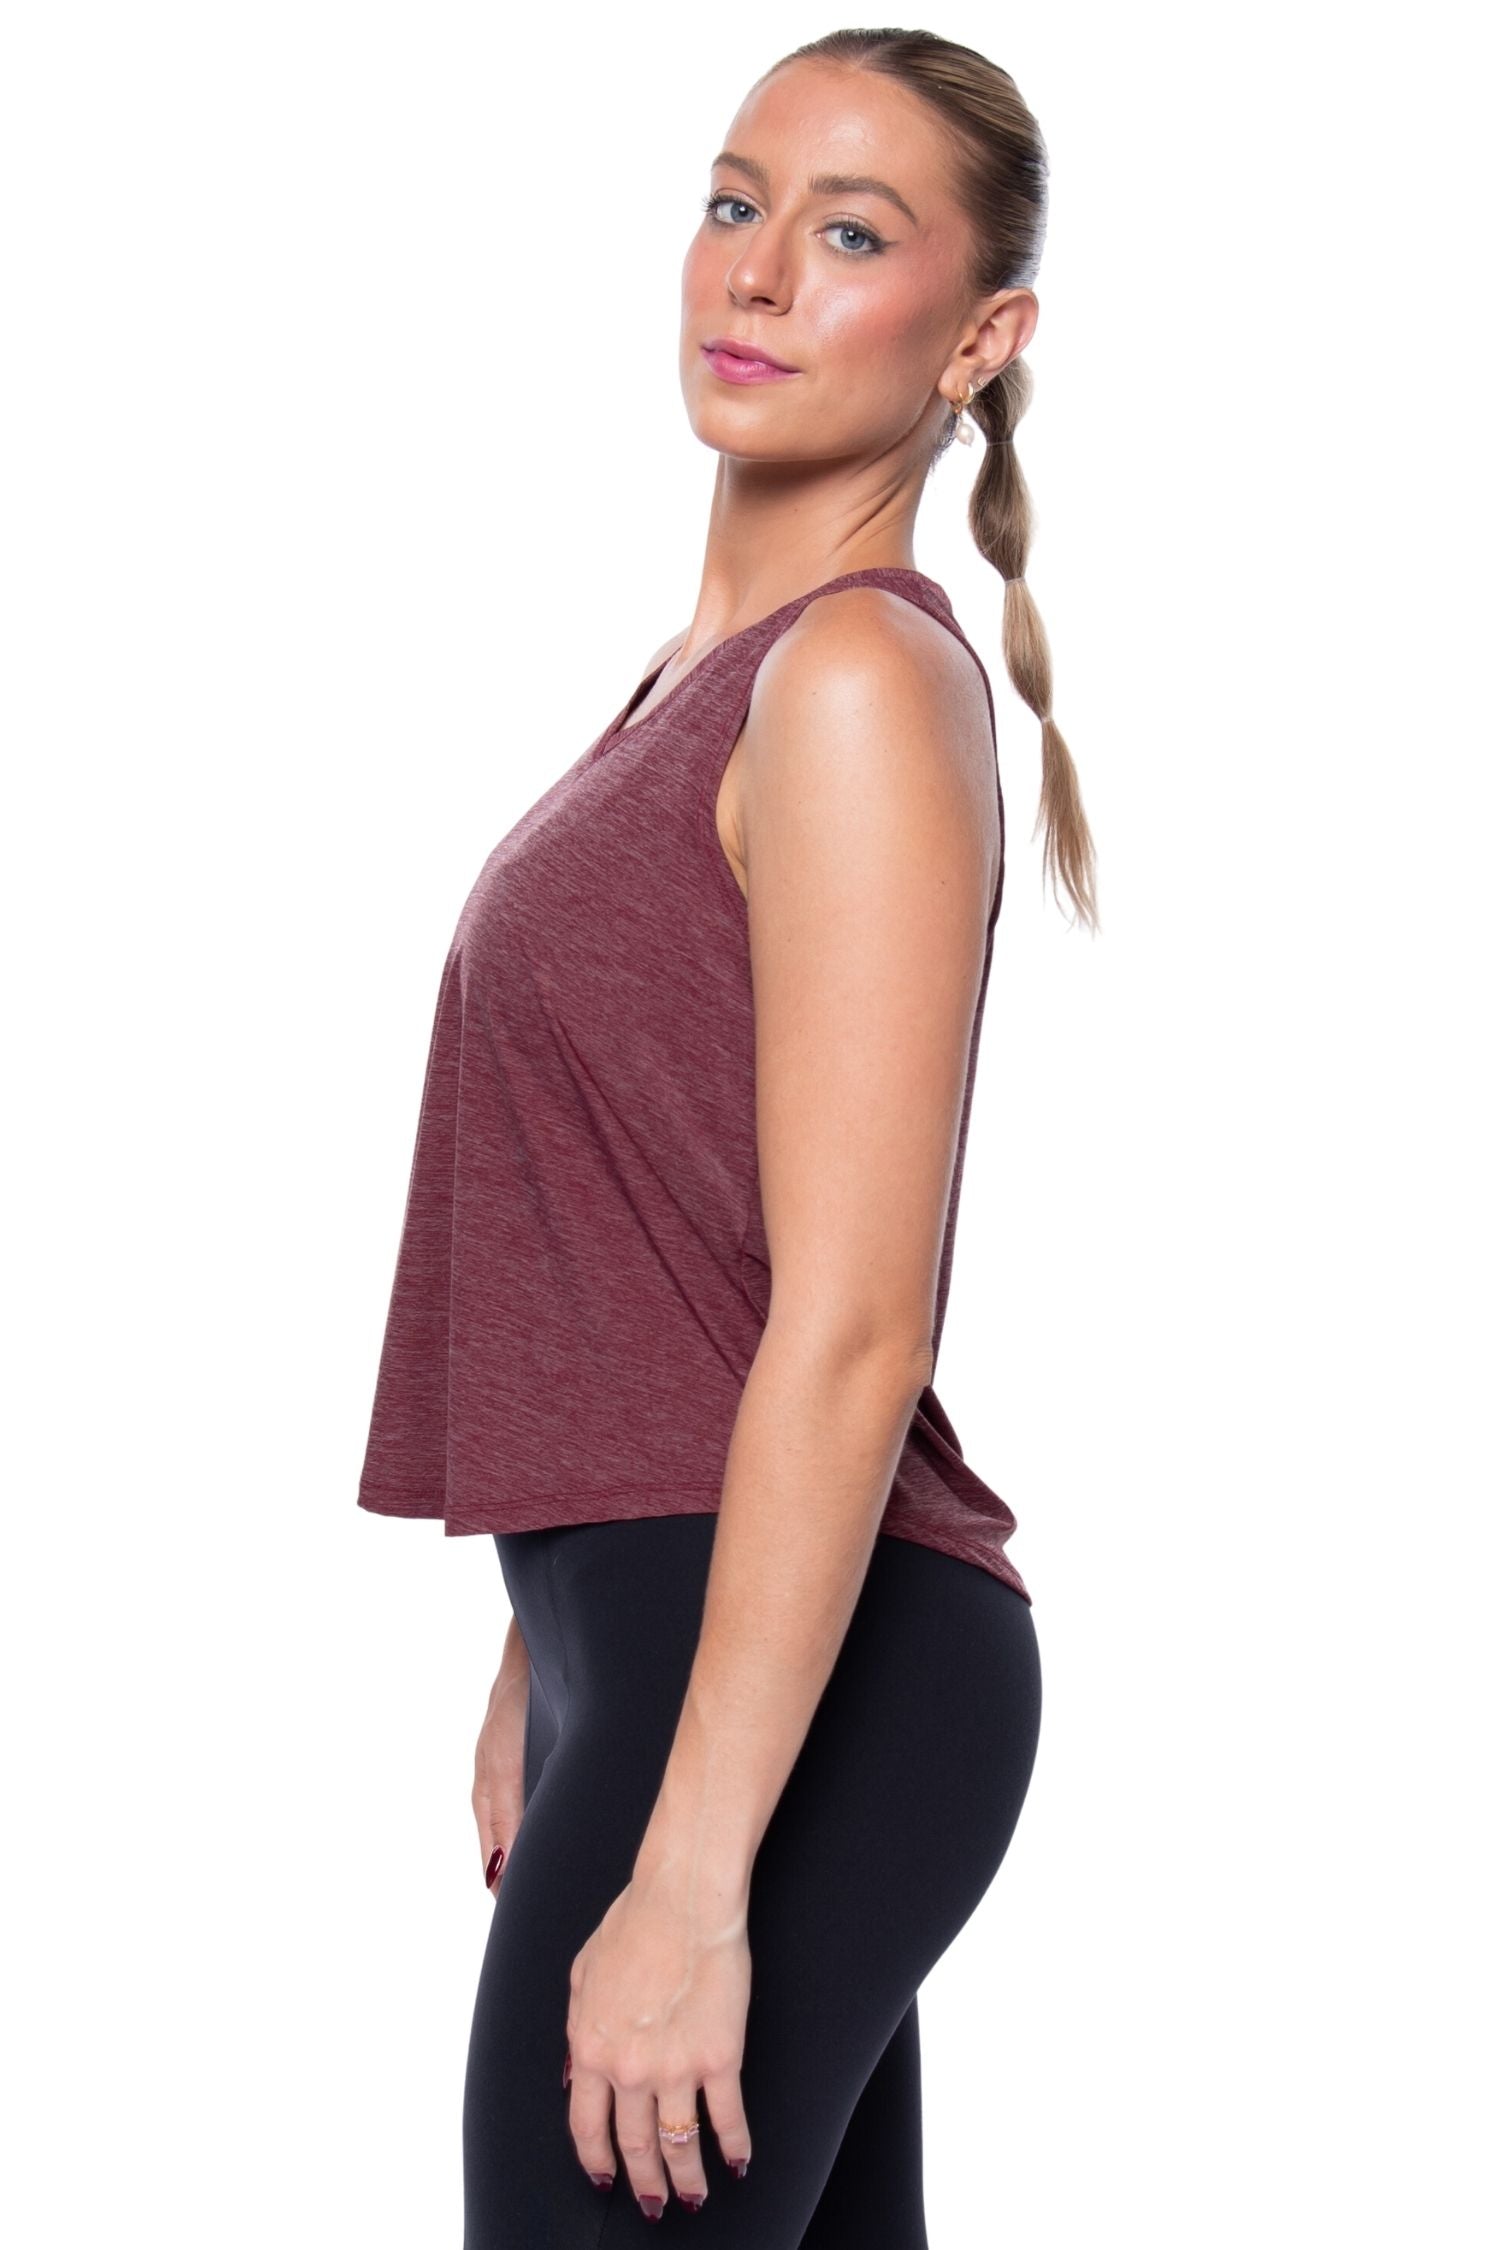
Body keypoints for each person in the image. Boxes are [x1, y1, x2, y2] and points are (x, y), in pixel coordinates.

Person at [356, 26, 1097, 2244]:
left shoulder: (852, 685)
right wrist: (545, 1651)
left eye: (852, 234)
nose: (759, 272)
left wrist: (687, 1868)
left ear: (980, 338)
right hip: (682, 1646)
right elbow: (656, 1231)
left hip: (791, 1670)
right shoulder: (702, 687)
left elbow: (855, 1326)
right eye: (733, 202)